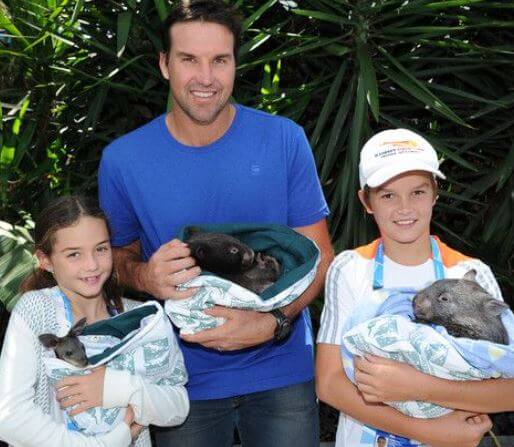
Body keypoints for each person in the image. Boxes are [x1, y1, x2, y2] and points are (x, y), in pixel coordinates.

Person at [98, 1, 333, 446]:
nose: (206, 78)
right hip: (180, 379)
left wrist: (272, 324)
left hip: (281, 372)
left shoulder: (283, 140)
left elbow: (320, 258)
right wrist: (145, 275)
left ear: (234, 64)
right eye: (189, 59)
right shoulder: (123, 160)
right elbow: (114, 259)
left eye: (219, 60)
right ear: (165, 64)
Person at [316, 128, 513, 447]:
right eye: (388, 195)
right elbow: (329, 383)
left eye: (418, 192)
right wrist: (426, 430)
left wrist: (419, 387)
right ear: (366, 201)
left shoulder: (469, 273)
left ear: (436, 194)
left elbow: (509, 387)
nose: (404, 207)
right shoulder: (351, 269)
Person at [0, 196, 189, 447]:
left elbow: (177, 406)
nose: (91, 265)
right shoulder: (36, 310)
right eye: (74, 254)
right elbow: (10, 417)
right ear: (45, 260)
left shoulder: (140, 318)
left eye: (101, 249)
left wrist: (119, 387)